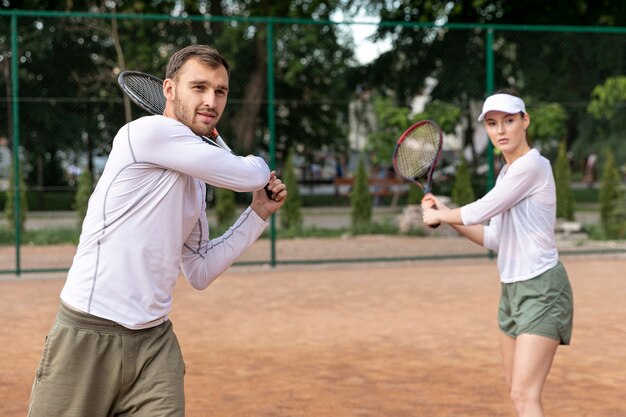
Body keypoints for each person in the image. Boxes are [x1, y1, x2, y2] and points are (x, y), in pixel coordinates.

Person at [27, 45, 287, 417]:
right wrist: (258, 166)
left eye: (220, 91)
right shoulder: (145, 133)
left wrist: (258, 213)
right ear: (168, 90)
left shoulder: (197, 180)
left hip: (154, 344)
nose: (210, 100)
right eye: (198, 87)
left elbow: (198, 270)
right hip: (87, 335)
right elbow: (251, 174)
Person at [422, 90, 573, 417]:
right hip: (511, 290)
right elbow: (495, 239)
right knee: (514, 387)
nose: (500, 130)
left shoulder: (532, 167)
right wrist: (445, 213)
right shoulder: (507, 173)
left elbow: (480, 210)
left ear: (525, 121)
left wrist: (440, 216)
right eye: (492, 123)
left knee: (523, 394)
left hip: (542, 289)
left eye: (508, 121)